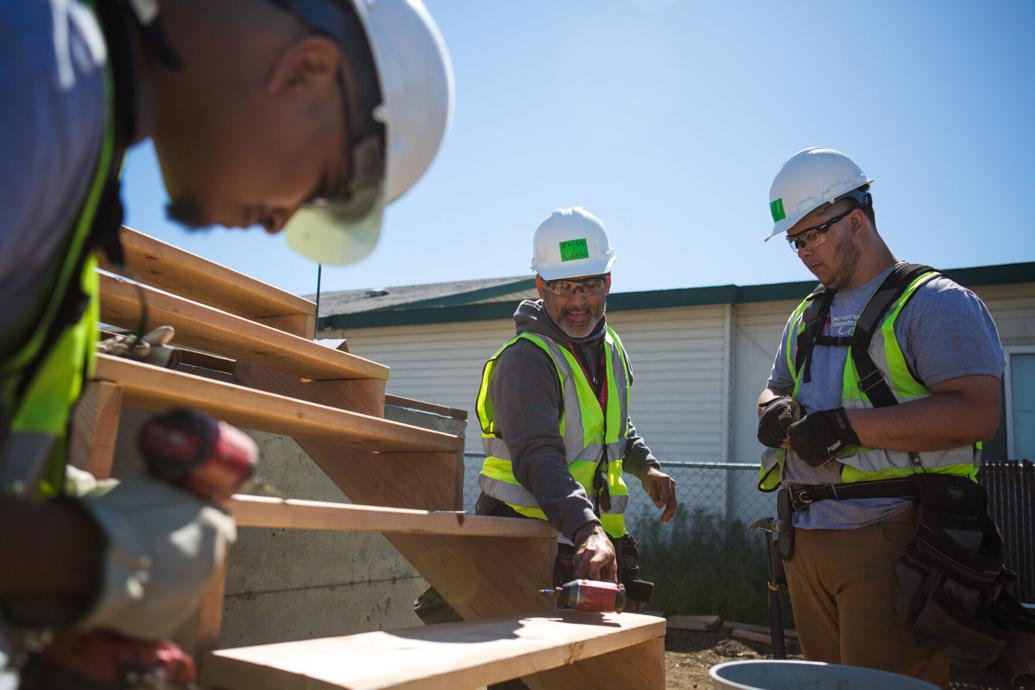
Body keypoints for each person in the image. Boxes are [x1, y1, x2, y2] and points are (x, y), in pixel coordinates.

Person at [0, 0, 451, 684]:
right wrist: (90, 552)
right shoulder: (39, 73)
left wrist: (75, 512)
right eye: (325, 189)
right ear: (304, 70)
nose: (281, 226)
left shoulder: (71, 113)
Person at [755, 147, 1004, 687]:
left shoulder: (935, 303)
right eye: (794, 240)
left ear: (857, 220)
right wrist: (774, 410)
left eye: (812, 234)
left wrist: (848, 427)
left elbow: (979, 411)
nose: (802, 252)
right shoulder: (807, 313)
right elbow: (775, 385)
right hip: (805, 538)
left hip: (892, 538)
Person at [476, 207, 678, 602]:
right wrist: (587, 528)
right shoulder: (526, 360)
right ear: (540, 285)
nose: (578, 302)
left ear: (608, 282)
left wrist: (646, 466)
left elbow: (611, 428)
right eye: (564, 287)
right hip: (525, 540)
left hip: (584, 539)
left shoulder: (610, 348)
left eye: (588, 285)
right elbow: (538, 456)